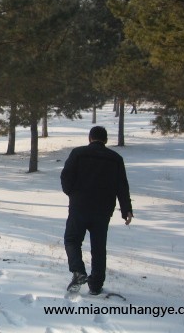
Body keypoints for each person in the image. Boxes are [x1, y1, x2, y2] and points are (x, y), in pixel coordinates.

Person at [61, 126, 133, 295]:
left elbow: (66, 176)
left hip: (79, 206)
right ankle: (96, 285)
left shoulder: (78, 153)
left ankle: (78, 271)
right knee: (99, 247)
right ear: (106, 140)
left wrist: (71, 192)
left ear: (89, 138)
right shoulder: (115, 158)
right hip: (103, 209)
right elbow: (122, 186)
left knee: (72, 240)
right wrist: (126, 210)